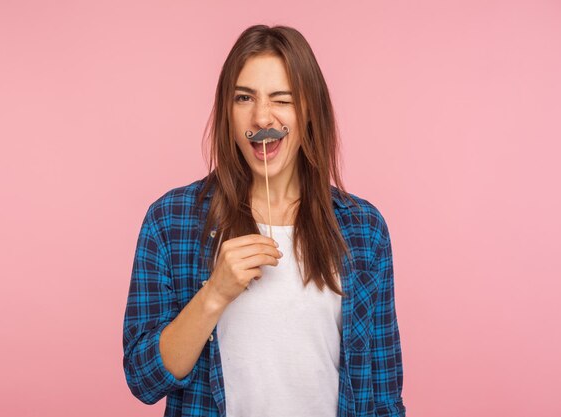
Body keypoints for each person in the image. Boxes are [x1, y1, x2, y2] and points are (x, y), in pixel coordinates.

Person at [123, 24, 406, 417]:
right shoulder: (170, 221)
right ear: (227, 109)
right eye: (244, 98)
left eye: (281, 99)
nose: (261, 118)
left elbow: (384, 395)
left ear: (309, 111)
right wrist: (214, 294)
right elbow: (144, 379)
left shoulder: (363, 229)